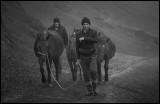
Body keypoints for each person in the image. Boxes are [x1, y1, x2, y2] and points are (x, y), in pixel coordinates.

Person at [76, 17, 99, 96]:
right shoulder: (78, 34)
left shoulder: (93, 32)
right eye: (84, 24)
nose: (85, 25)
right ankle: (90, 91)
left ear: (89, 24)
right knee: (85, 74)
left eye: (87, 24)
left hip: (92, 54)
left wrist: (84, 38)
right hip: (83, 56)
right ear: (82, 25)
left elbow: (96, 40)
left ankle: (95, 89)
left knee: (93, 71)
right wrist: (78, 59)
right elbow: (77, 46)